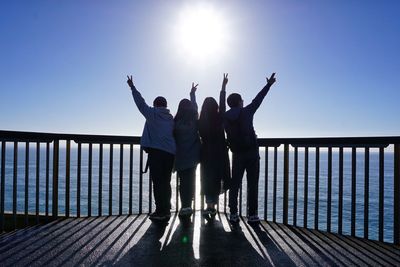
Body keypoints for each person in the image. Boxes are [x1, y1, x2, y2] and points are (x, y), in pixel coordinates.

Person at [224, 73, 276, 224]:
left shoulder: (225, 116)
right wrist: (268, 85)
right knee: (252, 184)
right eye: (242, 100)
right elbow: (258, 99)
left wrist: (223, 88)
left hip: (237, 154)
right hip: (252, 153)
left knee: (235, 184)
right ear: (239, 102)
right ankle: (252, 215)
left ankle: (233, 213)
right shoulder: (247, 111)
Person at [127, 75, 176, 221]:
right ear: (166, 105)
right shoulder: (171, 118)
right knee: (166, 182)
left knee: (157, 182)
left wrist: (132, 87)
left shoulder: (152, 114)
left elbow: (140, 103)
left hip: (156, 154)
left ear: (155, 105)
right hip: (170, 154)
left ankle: (160, 211)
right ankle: (166, 209)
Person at [199, 73, 231, 219]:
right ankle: (213, 207)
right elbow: (223, 104)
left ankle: (209, 206)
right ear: (216, 107)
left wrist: (192, 95)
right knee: (218, 178)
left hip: (206, 153)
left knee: (207, 178)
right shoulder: (219, 118)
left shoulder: (201, 122)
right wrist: (223, 86)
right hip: (220, 153)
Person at [174, 83, 201, 218]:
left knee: (182, 182)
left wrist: (192, 93)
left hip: (180, 156)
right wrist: (192, 94)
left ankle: (184, 205)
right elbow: (195, 106)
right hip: (193, 156)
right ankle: (189, 204)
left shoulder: (176, 122)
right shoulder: (194, 120)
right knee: (191, 180)